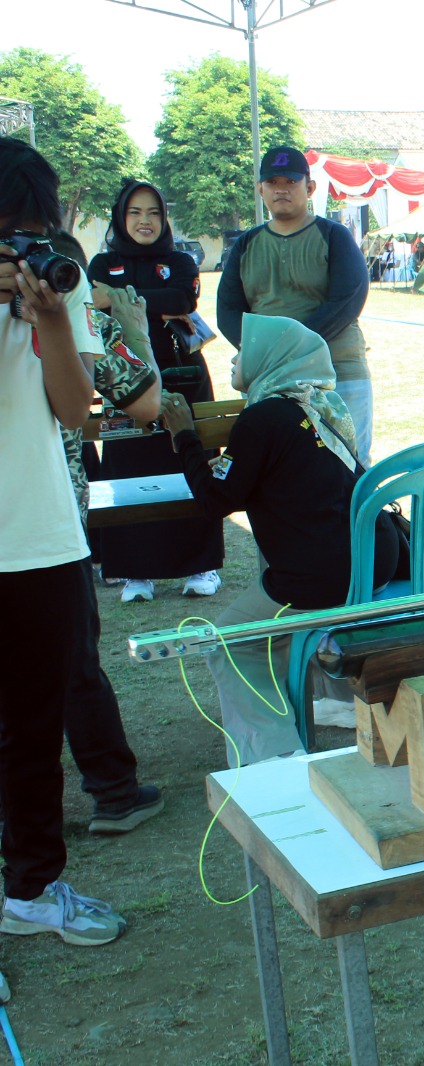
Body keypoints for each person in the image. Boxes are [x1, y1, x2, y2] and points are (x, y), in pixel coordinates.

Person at [0, 139, 130, 989]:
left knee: (32, 730)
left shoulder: (53, 286)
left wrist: (47, 316)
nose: (24, 251)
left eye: (33, 230)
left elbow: (77, 411)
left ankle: (35, 888)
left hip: (40, 534)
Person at [160, 314, 396, 766]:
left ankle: (273, 755)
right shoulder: (315, 406)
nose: (234, 357)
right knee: (283, 629)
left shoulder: (262, 417)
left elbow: (215, 501)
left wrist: (185, 437)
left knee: (227, 640)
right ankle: (333, 699)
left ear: (271, 358)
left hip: (322, 573)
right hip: (372, 558)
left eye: (245, 350)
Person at [50, 231, 167, 834]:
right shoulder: (76, 317)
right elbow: (146, 401)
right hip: (49, 526)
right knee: (73, 665)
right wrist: (118, 322)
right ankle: (114, 793)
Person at [88, 178, 223, 602]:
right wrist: (142, 299)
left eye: (153, 213)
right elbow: (92, 301)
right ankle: (134, 573)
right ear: (120, 218)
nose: (144, 221)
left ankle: (201, 568)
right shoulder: (101, 262)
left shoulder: (180, 259)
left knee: (189, 462)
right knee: (128, 469)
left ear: (164, 219)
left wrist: (121, 298)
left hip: (183, 377)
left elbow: (182, 298)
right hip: (124, 382)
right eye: (135, 213)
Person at [217, 146, 374, 466]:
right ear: (260, 189)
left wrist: (286, 349)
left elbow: (347, 300)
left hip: (339, 374)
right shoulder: (245, 245)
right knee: (277, 474)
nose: (281, 189)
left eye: (290, 181)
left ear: (310, 187)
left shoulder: (334, 236)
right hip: (268, 379)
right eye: (272, 182)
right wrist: (266, 355)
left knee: (349, 469)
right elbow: (228, 311)